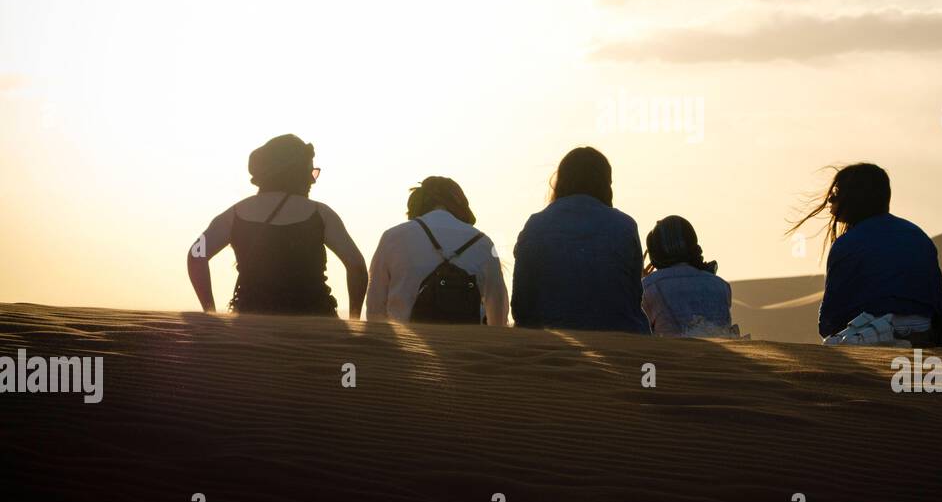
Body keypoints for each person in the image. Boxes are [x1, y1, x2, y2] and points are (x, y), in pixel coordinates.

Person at [186, 134, 368, 318]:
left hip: (250, 326)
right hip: (315, 323)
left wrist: (210, 312)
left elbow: (196, 255)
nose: (313, 180)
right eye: (310, 172)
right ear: (296, 172)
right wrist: (354, 319)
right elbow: (356, 265)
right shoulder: (321, 214)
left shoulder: (234, 214)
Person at [791, 163, 942, 344]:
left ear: (854, 198)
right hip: (925, 331)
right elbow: (937, 307)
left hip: (874, 333)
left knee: (830, 348)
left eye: (836, 193)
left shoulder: (847, 244)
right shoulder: (919, 236)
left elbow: (829, 321)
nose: (830, 201)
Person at [511, 147, 650, 334]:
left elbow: (521, 302)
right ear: (606, 184)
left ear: (560, 181)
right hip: (621, 336)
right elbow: (633, 295)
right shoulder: (624, 226)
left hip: (550, 339)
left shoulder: (536, 225)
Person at [366, 176, 508, 325]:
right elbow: (499, 312)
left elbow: (374, 309)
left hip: (408, 343)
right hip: (466, 343)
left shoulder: (393, 237)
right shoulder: (483, 242)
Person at [641, 215, 735, 337]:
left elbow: (637, 332)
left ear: (656, 250)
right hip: (720, 355)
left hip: (671, 355)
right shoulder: (721, 286)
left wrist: (640, 282)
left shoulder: (648, 288)